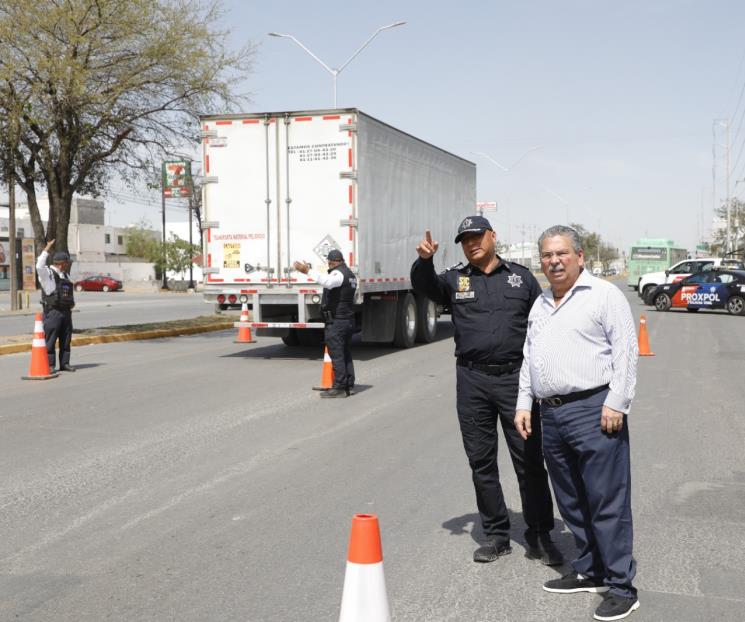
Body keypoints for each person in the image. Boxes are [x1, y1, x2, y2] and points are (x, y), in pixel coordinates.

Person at [411, 216, 561, 565]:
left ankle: (540, 534)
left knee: (529, 462)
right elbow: (424, 285)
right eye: (465, 239)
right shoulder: (455, 278)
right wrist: (424, 261)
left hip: (516, 381)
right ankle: (496, 534)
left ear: (493, 236)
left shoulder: (520, 278)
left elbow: (543, 329)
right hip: (472, 381)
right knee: (481, 461)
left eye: (477, 236)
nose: (472, 243)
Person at [514, 225, 639, 621]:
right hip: (550, 413)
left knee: (606, 501)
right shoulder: (540, 304)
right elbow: (529, 357)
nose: (554, 262)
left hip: (594, 409)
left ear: (579, 256)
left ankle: (621, 586)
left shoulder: (604, 295)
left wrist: (616, 402)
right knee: (571, 500)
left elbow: (627, 353)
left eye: (561, 254)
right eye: (547, 256)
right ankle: (590, 569)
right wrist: (524, 403)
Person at [293, 249, 356, 398]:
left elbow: (327, 282)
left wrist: (307, 271)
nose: (330, 265)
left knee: (337, 353)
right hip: (346, 319)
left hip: (338, 321)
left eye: (330, 263)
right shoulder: (350, 275)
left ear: (332, 262)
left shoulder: (339, 273)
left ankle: (340, 387)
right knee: (345, 353)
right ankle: (348, 384)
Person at [36, 239, 76, 372]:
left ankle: (64, 363)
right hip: (53, 312)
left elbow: (68, 291)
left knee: (66, 339)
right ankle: (50, 365)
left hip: (66, 312)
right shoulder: (47, 274)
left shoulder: (65, 274)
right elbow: (38, 266)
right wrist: (46, 249)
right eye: (66, 263)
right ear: (61, 264)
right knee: (51, 339)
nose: (67, 265)